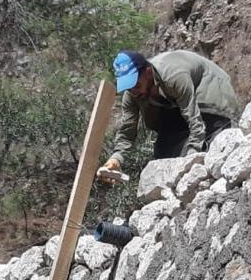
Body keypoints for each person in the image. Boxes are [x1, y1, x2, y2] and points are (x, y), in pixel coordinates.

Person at [97, 49, 241, 183]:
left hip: (210, 88)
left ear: (148, 73)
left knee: (210, 140)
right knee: (164, 154)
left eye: (136, 85)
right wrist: (117, 159)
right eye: (128, 87)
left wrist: (191, 158)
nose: (134, 91)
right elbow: (127, 131)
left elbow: (195, 121)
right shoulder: (132, 95)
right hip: (176, 103)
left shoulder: (174, 76)